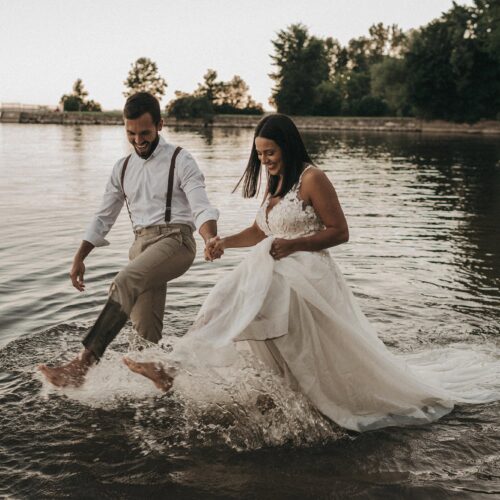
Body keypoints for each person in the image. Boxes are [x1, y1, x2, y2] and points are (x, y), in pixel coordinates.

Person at [122, 113, 499, 433]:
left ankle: (173, 365)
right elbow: (261, 232)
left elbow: (340, 232)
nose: (265, 160)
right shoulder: (276, 182)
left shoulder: (312, 178)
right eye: (260, 154)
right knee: (224, 298)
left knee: (237, 302)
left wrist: (294, 245)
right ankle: (176, 366)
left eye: (270, 152)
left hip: (307, 274)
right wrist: (223, 241)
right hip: (278, 269)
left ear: (288, 145)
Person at [38, 92, 219, 388]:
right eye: (130, 133)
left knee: (123, 281)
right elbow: (103, 216)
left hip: (176, 241)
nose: (138, 140)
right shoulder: (121, 169)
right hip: (141, 248)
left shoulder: (181, 159)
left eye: (145, 133)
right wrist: (79, 256)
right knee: (143, 341)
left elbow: (200, 205)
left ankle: (82, 364)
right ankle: (162, 387)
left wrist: (210, 236)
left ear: (160, 125)